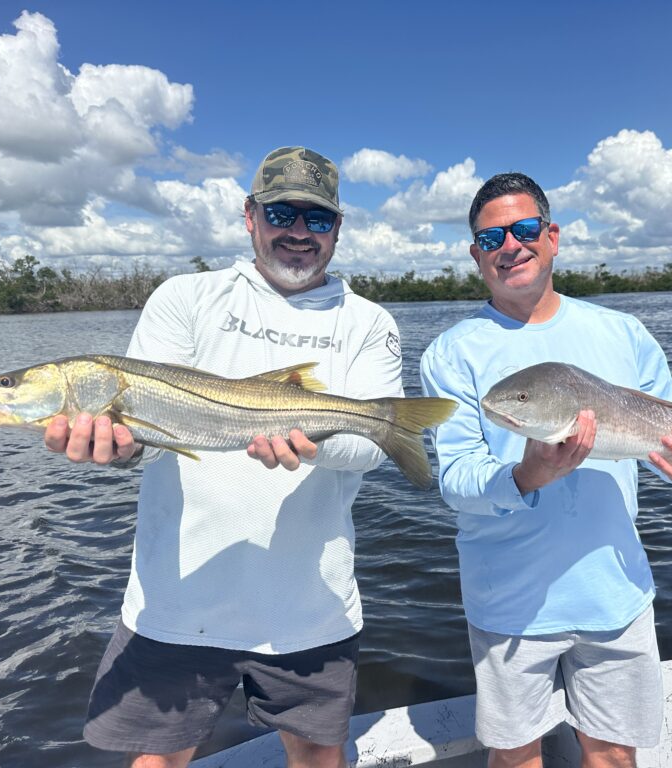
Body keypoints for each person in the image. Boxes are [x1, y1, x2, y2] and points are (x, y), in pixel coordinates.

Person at [44, 146, 406, 768]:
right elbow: (147, 438)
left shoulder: (370, 322)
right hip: (176, 601)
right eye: (282, 213)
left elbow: (368, 449)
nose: (299, 231)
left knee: (320, 757)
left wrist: (312, 442)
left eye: (318, 218)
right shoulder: (184, 298)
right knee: (156, 760)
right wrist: (118, 449)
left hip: (311, 608)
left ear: (338, 228)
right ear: (250, 215)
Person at [419, 172, 672, 768]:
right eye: (492, 237)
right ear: (476, 254)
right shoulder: (450, 353)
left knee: (614, 756)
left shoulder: (624, 333)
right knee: (515, 757)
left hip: (616, 589)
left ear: (552, 237)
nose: (510, 246)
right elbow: (456, 480)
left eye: (525, 229)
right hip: (508, 598)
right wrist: (526, 476)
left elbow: (664, 445)